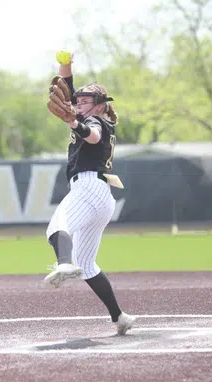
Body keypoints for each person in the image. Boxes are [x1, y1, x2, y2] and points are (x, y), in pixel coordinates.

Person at [42, 52, 136, 336]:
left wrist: (73, 123)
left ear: (99, 106)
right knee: (88, 265)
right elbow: (66, 87)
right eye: (78, 101)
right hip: (101, 196)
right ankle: (120, 317)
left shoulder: (97, 123)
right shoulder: (88, 115)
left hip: (89, 186)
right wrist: (65, 63)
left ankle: (62, 264)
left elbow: (91, 135)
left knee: (56, 226)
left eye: (84, 102)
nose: (77, 104)